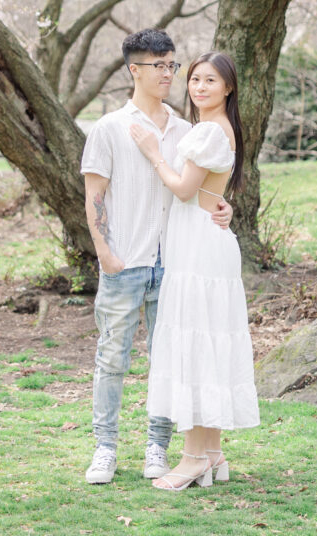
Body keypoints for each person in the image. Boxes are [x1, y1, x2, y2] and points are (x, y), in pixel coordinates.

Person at [80, 29, 233, 485]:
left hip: (177, 263)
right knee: (112, 359)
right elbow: (94, 194)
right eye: (159, 66)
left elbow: (200, 187)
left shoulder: (188, 130)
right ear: (135, 70)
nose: (169, 74)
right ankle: (105, 448)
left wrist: (224, 207)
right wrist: (104, 251)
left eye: (172, 65)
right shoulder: (109, 127)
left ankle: (157, 446)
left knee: (170, 360)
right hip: (126, 261)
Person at [130, 51, 260, 492]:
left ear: (228, 88)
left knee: (194, 344)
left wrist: (153, 153)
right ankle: (211, 453)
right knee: (204, 343)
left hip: (200, 249)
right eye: (195, 79)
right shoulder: (218, 129)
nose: (199, 87)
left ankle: (190, 460)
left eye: (210, 81)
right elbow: (208, 191)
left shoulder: (209, 130)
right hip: (204, 240)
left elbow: (185, 189)